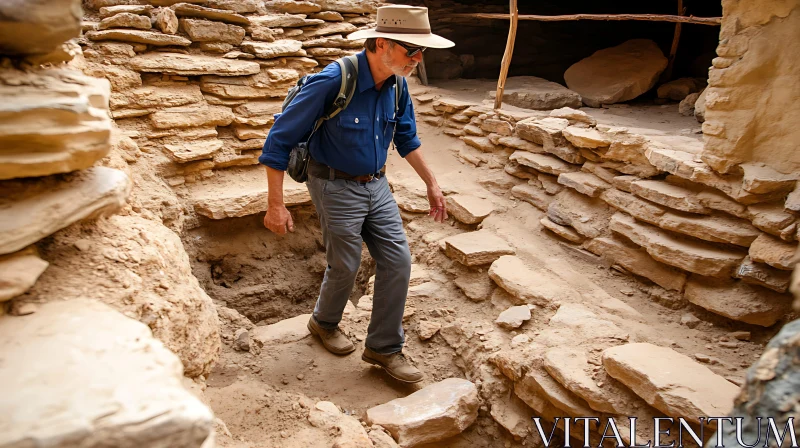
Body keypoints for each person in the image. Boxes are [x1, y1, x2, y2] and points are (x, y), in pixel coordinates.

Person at [258, 5, 455, 383]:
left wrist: (432, 183)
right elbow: (278, 142)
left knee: (398, 262)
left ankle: (383, 348)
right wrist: (275, 204)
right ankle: (324, 322)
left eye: (421, 51)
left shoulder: (397, 84)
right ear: (382, 43)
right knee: (346, 264)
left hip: (376, 184)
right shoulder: (333, 80)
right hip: (333, 184)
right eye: (411, 50)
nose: (418, 59)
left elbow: (406, 138)